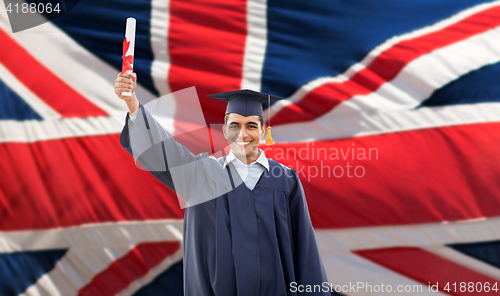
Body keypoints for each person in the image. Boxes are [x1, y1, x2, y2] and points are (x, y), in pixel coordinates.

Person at [114, 72, 330, 296]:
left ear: (263, 131)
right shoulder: (203, 175)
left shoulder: (285, 181)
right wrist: (133, 103)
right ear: (225, 130)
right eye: (235, 125)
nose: (242, 134)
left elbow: (305, 251)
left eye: (251, 126)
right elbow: (165, 152)